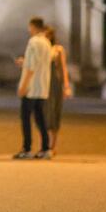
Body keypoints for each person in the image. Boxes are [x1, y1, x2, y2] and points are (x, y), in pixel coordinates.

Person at [14, 16, 53, 160]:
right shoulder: (47, 42)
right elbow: (39, 63)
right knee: (40, 119)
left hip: (31, 88)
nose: (28, 30)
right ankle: (45, 148)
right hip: (42, 86)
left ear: (33, 26)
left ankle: (27, 148)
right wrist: (24, 62)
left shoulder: (33, 42)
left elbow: (31, 66)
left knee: (26, 118)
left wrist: (23, 86)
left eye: (29, 27)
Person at [43, 26, 72, 156]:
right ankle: (45, 144)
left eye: (47, 35)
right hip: (43, 83)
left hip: (54, 84)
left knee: (54, 113)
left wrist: (66, 86)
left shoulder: (58, 50)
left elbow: (63, 68)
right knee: (44, 114)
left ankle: (52, 145)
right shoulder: (41, 48)